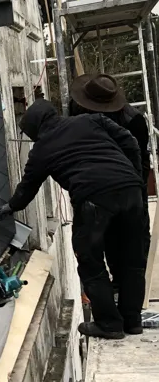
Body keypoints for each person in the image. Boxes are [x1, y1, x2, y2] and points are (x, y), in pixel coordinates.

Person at [0, 99, 145, 339]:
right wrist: (134, 175)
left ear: (35, 128)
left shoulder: (41, 150)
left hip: (94, 198)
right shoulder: (91, 120)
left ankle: (109, 324)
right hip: (132, 192)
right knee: (132, 257)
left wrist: (11, 206)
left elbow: (28, 186)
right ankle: (133, 321)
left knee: (90, 260)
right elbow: (131, 142)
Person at [68, 73, 151, 285]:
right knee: (101, 241)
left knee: (133, 241)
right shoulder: (78, 110)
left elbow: (140, 159)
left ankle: (130, 285)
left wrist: (135, 192)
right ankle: (115, 285)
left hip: (128, 183)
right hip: (93, 187)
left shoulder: (133, 121)